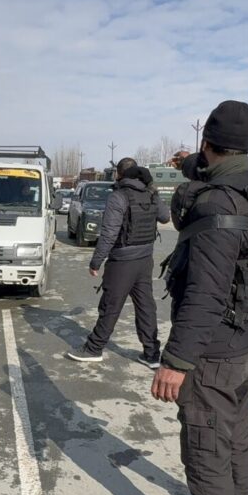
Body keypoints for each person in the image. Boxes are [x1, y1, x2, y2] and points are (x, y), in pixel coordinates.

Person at [151, 101, 248, 495]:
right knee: (235, 437)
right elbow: (203, 166)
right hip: (246, 342)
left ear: (208, 143)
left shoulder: (214, 204)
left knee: (205, 449)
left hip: (213, 352)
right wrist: (188, 161)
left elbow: (204, 295)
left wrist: (175, 362)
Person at [65, 157, 169, 366]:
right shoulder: (150, 193)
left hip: (123, 261)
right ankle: (151, 354)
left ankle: (94, 349)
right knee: (146, 307)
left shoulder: (118, 196)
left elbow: (109, 234)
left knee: (110, 306)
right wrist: (154, 193)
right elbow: (165, 217)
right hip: (144, 260)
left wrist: (96, 262)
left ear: (119, 174)